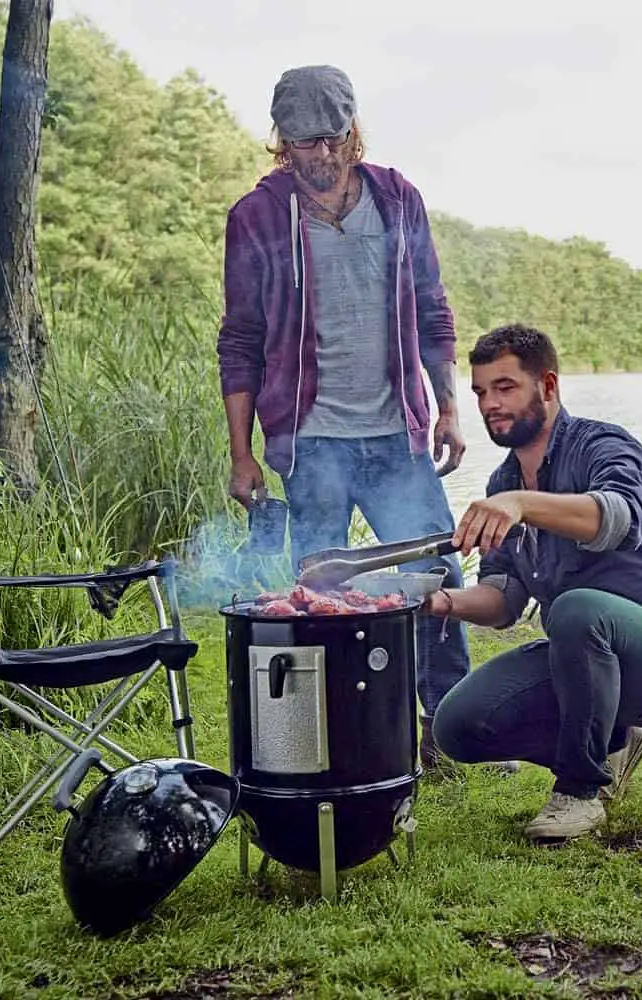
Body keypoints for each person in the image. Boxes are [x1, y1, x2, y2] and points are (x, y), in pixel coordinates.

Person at [216, 64, 472, 768]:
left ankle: (450, 734)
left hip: (397, 434)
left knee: (438, 580)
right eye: (304, 145)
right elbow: (239, 340)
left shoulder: (396, 199)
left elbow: (431, 308)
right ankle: (325, 739)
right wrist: (243, 455)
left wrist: (447, 407)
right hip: (312, 443)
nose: (321, 157)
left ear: (352, 132)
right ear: (281, 144)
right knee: (315, 597)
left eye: (332, 139)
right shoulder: (258, 217)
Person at [423, 324, 642, 838]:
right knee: (458, 726)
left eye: (505, 387)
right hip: (586, 658)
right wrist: (438, 602)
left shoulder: (604, 446)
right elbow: (503, 600)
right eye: (480, 392)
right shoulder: (504, 482)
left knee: (577, 608)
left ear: (547, 385)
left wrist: (522, 506)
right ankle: (611, 742)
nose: (489, 404)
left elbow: (616, 518)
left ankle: (581, 790)